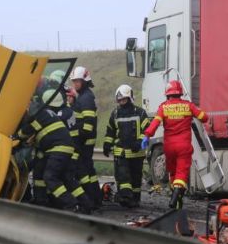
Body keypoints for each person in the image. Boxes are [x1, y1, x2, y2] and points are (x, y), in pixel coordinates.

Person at [18, 90, 91, 213]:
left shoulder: (39, 115)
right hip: (66, 148)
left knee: (50, 177)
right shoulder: (48, 113)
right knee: (67, 178)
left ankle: (71, 204)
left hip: (58, 149)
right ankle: (86, 205)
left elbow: (26, 131)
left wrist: (15, 136)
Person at [142, 79, 209, 209]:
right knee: (181, 173)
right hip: (184, 146)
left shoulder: (164, 107)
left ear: (167, 93)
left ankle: (176, 199)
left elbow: (155, 124)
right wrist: (196, 112)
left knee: (173, 172)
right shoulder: (188, 106)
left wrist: (147, 136)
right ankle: (176, 196)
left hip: (169, 147)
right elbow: (204, 117)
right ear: (180, 93)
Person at [102, 85, 152, 207]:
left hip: (137, 153)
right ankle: (125, 198)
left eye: (123, 100)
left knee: (136, 180)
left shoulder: (140, 113)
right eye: (119, 100)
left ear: (130, 98)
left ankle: (135, 200)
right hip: (121, 153)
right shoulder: (115, 113)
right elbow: (110, 131)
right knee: (123, 177)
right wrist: (107, 144)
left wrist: (139, 142)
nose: (121, 102)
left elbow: (147, 130)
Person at [69, 66, 102, 208]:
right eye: (74, 81)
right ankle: (95, 198)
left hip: (84, 141)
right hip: (84, 140)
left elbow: (88, 124)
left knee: (83, 171)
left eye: (78, 81)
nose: (75, 84)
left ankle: (90, 200)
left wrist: (78, 140)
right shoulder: (83, 96)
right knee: (89, 171)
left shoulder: (86, 97)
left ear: (85, 81)